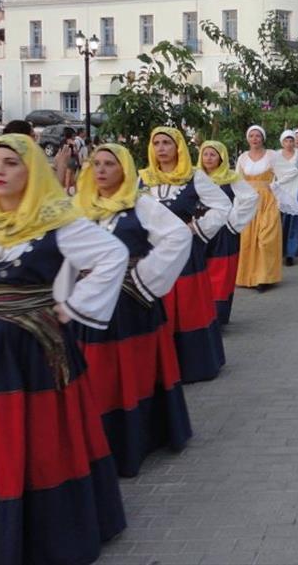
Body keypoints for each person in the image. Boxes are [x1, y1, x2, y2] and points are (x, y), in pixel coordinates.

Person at [0, 133, 129, 565]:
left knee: (41, 442)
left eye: (11, 163)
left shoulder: (57, 222)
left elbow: (113, 255)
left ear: (32, 172)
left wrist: (74, 306)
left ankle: (43, 530)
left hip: (34, 352)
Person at [72, 143, 193, 477]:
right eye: (95, 163)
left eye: (109, 164)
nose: (101, 170)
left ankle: (137, 437)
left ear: (124, 169)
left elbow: (178, 237)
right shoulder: (78, 206)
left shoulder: (140, 205)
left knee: (132, 371)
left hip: (130, 304)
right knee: (97, 372)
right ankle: (99, 438)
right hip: (89, 303)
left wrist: (146, 279)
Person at [138, 127, 231, 383]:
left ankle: (192, 365)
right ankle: (160, 367)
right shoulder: (142, 179)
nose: (161, 148)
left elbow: (223, 205)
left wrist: (196, 228)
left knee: (187, 307)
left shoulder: (194, 177)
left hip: (183, 255)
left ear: (178, 146)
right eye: (156, 142)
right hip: (151, 255)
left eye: (167, 142)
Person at [197, 140, 257, 322]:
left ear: (221, 157)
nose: (208, 158)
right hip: (200, 232)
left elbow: (251, 198)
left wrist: (233, 222)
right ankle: (201, 314)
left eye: (213, 154)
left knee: (221, 275)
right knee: (199, 274)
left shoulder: (231, 177)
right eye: (205, 154)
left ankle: (218, 316)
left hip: (223, 233)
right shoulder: (194, 177)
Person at [235, 126, 283, 289]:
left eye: (258, 136)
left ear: (263, 138)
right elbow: (238, 180)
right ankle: (249, 276)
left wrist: (275, 186)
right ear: (248, 139)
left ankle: (265, 276)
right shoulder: (242, 158)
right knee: (248, 238)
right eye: (251, 136)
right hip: (248, 200)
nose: (255, 139)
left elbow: (286, 174)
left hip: (267, 200)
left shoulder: (272, 155)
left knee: (265, 238)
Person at [275, 131, 298, 265]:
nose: (289, 143)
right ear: (282, 142)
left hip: (296, 189)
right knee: (279, 220)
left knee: (295, 220)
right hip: (280, 189)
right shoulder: (276, 155)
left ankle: (291, 252)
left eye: (291, 140)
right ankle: (278, 249)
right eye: (286, 141)